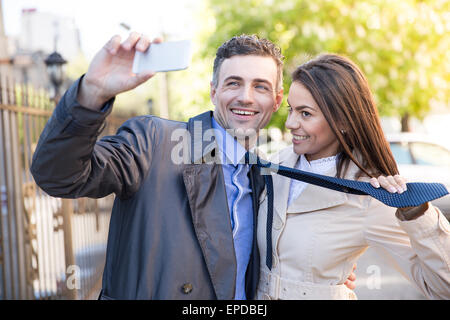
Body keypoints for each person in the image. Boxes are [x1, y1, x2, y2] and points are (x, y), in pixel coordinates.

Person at [31, 33, 377, 300]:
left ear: (276, 100)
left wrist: (325, 270)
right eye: (233, 83)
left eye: (260, 86)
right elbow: (59, 176)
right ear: (213, 91)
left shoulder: (266, 175)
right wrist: (91, 92)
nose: (245, 97)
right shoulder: (154, 141)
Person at [256, 54, 450, 300]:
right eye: (291, 110)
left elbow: (442, 287)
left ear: (343, 121)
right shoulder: (273, 167)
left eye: (305, 114)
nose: (291, 123)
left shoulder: (369, 195)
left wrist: (419, 214)